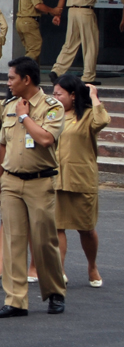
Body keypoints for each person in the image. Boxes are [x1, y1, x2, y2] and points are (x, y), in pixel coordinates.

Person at [0, 57, 67, 318]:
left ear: (26, 79)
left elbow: (45, 138)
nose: (8, 83)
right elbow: (2, 146)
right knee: (13, 241)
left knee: (45, 241)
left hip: (40, 181)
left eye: (11, 78)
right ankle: (15, 300)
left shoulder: (51, 107)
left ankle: (54, 292)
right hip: (11, 180)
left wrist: (24, 117)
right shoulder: (6, 106)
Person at [53, 76, 109, 287]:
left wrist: (94, 96)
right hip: (57, 178)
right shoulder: (54, 114)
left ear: (73, 95)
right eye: (54, 93)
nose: (55, 97)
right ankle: (60, 269)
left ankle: (92, 265)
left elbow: (102, 121)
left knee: (86, 228)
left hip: (81, 179)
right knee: (58, 226)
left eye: (59, 94)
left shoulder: (86, 116)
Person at [50, 0, 117, 86]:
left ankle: (56, 70)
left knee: (70, 43)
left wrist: (57, 14)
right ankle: (88, 77)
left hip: (72, 12)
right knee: (90, 45)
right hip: (86, 12)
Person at [16, 0, 59, 64]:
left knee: (31, 50)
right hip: (29, 22)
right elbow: (38, 5)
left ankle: (32, 77)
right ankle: (20, 69)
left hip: (21, 22)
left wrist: (48, 12)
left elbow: (32, 7)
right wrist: (53, 11)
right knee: (34, 49)